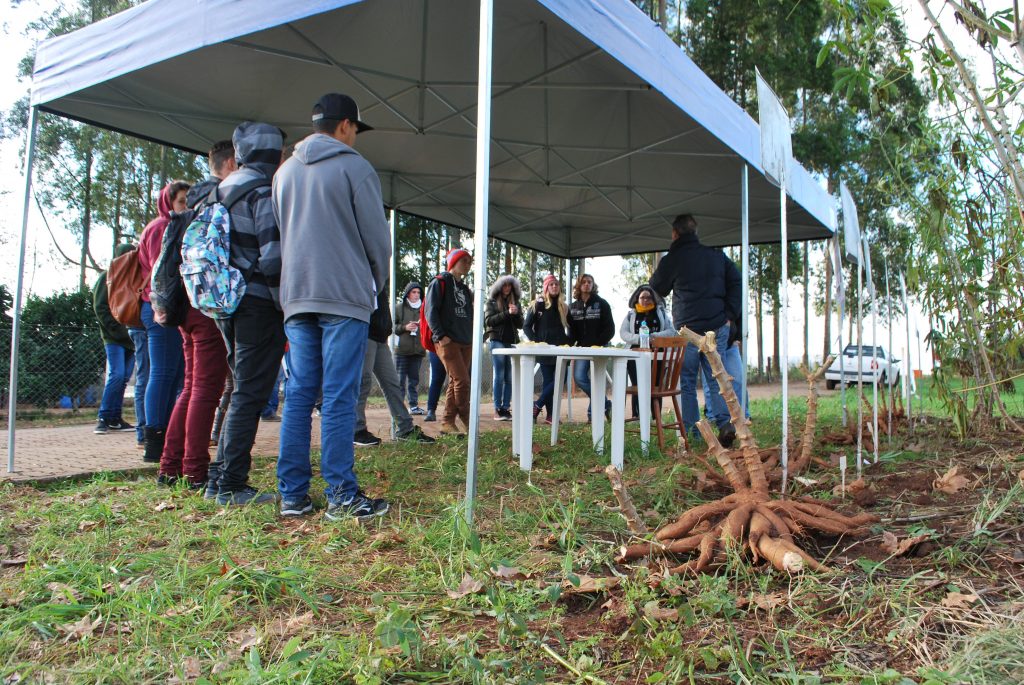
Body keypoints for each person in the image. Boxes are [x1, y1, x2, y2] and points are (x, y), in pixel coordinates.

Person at [274, 93, 392, 520]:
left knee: (301, 395)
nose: (356, 137)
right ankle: (341, 496)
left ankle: (292, 496)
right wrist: (375, 286)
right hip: (343, 295)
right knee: (340, 398)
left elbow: (282, 230)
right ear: (345, 125)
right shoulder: (355, 167)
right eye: (356, 129)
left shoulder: (283, 172)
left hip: (297, 295)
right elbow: (377, 241)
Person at [204, 122, 287, 506]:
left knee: (239, 390)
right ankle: (232, 484)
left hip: (225, 304)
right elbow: (273, 258)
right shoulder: (261, 193)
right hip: (256, 304)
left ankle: (217, 479)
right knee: (250, 394)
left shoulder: (220, 190)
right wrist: (283, 303)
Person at [650, 213, 741, 446]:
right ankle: (725, 424)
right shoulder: (716, 256)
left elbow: (657, 286)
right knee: (716, 378)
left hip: (687, 329)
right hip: (716, 326)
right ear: (696, 232)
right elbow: (737, 281)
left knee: (688, 381)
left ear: (674, 234)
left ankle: (691, 430)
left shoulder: (673, 258)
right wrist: (729, 315)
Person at [137, 180, 189, 463]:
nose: (186, 206)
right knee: (162, 373)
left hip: (169, 310)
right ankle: (153, 440)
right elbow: (164, 272)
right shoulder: (161, 227)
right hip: (161, 310)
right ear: (168, 202)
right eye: (181, 201)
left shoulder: (170, 225)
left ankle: (163, 435)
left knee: (173, 375)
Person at [354, 286, 435, 446]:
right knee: (363, 382)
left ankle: (405, 428)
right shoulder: (362, 269)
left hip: (380, 337)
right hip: (365, 333)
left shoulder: (380, 278)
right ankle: (356, 430)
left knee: (393, 385)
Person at [424, 248, 474, 436]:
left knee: (455, 382)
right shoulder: (440, 282)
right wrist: (440, 336)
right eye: (464, 261)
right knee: (462, 380)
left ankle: (447, 422)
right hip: (448, 341)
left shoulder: (465, 289)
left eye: (469, 261)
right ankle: (468, 419)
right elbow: (430, 311)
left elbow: (469, 314)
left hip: (465, 341)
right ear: (454, 262)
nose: (468, 265)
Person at [92, 243, 136, 435]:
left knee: (124, 378)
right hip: (113, 338)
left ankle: (115, 418)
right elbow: (100, 307)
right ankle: (103, 417)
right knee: (116, 375)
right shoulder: (106, 278)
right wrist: (116, 330)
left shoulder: (132, 279)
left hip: (132, 339)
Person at [619, 284, 673, 417]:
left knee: (655, 384)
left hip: (658, 354)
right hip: (635, 354)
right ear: (637, 299)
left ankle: (656, 416)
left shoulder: (661, 313)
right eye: (642, 297)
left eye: (649, 297)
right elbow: (623, 333)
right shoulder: (631, 315)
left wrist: (653, 337)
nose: (645, 300)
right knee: (637, 384)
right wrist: (640, 338)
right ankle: (637, 416)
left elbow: (672, 331)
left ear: (654, 299)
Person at [522, 274, 570, 422]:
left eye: (556, 284)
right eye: (551, 284)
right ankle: (550, 416)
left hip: (562, 349)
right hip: (544, 350)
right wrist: (537, 342)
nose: (554, 287)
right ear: (546, 287)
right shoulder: (538, 304)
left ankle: (537, 405)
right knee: (549, 381)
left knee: (560, 381)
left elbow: (571, 327)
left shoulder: (564, 306)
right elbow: (526, 326)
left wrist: (570, 342)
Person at [568, 273, 614, 420]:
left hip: (599, 348)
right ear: (579, 285)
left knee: (597, 380)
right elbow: (572, 332)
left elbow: (610, 329)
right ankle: (606, 404)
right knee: (579, 377)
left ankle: (592, 414)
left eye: (590, 282)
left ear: (593, 285)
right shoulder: (573, 307)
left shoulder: (602, 304)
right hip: (582, 348)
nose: (587, 284)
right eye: (584, 282)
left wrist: (598, 343)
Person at [484, 274, 523, 421]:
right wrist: (507, 313)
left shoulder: (516, 302)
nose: (507, 288)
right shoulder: (491, 302)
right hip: (497, 341)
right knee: (499, 375)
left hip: (512, 341)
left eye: (509, 285)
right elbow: (489, 321)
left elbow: (521, 324)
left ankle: (506, 408)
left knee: (509, 377)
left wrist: (516, 313)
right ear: (499, 287)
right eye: (504, 285)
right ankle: (497, 409)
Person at [392, 282, 426, 415]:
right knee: (399, 380)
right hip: (401, 350)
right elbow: (392, 327)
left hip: (418, 350)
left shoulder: (424, 309)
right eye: (414, 292)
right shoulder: (399, 308)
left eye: (418, 292)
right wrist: (405, 327)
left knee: (414, 380)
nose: (416, 295)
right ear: (408, 293)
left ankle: (413, 406)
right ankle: (398, 408)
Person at [128, 325, 148, 448]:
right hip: (146, 327)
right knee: (148, 378)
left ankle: (143, 434)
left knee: (144, 378)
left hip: (137, 326)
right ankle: (145, 434)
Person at [423, 350, 446, 423]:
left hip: (458, 345)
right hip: (436, 347)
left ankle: (460, 411)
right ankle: (431, 411)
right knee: (437, 379)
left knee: (458, 379)